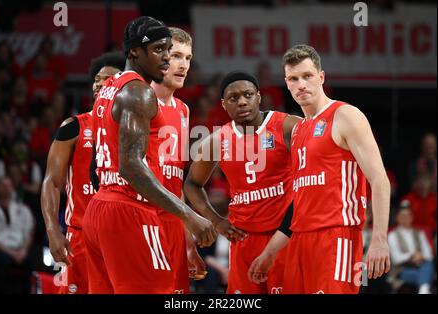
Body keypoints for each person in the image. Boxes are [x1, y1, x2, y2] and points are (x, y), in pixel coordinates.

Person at [82, 16, 216, 294]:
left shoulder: (109, 88)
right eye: (161, 51)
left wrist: (185, 236)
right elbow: (131, 167)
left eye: (175, 53)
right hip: (134, 209)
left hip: (106, 208)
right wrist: (190, 216)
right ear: (134, 52)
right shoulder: (139, 93)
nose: (169, 60)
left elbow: (103, 162)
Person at [248, 44, 391, 294]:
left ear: (321, 77)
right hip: (299, 241)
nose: (301, 84)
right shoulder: (300, 129)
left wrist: (379, 238)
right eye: (294, 79)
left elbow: (379, 179)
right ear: (287, 83)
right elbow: (299, 203)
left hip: (336, 236)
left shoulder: (345, 115)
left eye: (307, 76)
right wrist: (270, 251)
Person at [184, 71, 300, 294]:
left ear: (258, 96)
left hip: (283, 237)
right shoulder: (217, 140)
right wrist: (216, 221)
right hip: (243, 240)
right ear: (224, 104)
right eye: (233, 98)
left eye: (248, 94)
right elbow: (191, 184)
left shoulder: (286, 126)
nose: (242, 102)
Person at [40, 52, 125, 294]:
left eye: (108, 80)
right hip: (81, 237)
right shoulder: (75, 126)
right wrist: (53, 231)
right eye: (97, 79)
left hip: (122, 236)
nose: (100, 84)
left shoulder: (135, 129)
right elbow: (52, 182)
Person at [150, 27, 205, 294]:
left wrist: (188, 242)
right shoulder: (141, 100)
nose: (184, 65)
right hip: (144, 217)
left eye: (188, 58)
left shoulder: (183, 110)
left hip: (173, 220)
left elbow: (175, 181)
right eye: (176, 56)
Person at [0, 176, 35, 293]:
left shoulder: (23, 209)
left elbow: (29, 232)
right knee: (1, 261)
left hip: (21, 249)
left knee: (32, 260)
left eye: (9, 185)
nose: (7, 188)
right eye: (3, 185)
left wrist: (23, 250)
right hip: (1, 250)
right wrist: (11, 253)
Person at [388, 200, 434, 294]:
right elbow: (396, 258)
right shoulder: (392, 235)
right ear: (397, 218)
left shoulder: (420, 233)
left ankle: (423, 289)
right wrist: (412, 255)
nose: (405, 218)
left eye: (408, 215)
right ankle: (424, 288)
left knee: (428, 265)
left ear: (412, 217)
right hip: (402, 269)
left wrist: (421, 256)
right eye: (402, 216)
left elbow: (429, 254)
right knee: (425, 274)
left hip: (421, 266)